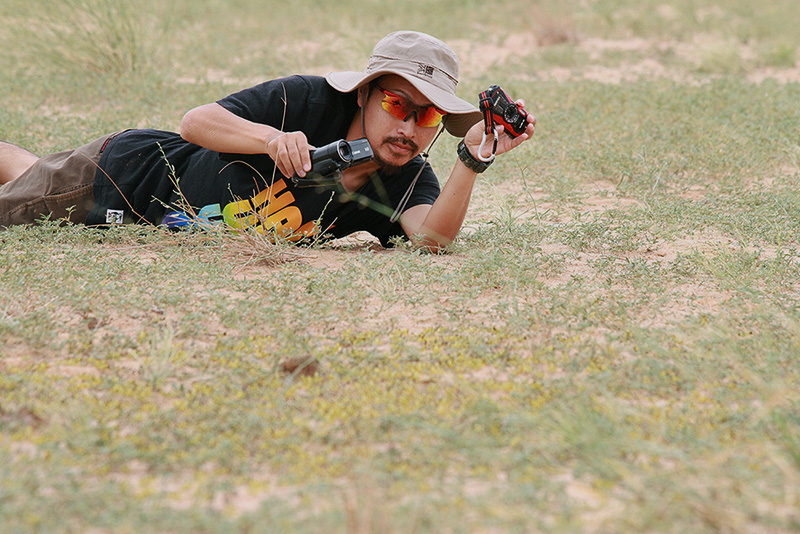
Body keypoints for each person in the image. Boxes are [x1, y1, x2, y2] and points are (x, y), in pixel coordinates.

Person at [0, 31, 535, 252]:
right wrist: (271, 140)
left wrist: (472, 161)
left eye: (431, 115)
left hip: (150, 224)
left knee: (29, 168)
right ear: (365, 94)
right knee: (20, 204)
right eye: (398, 105)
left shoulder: (408, 177)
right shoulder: (304, 101)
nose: (410, 127)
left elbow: (432, 240)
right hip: (122, 178)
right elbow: (195, 122)